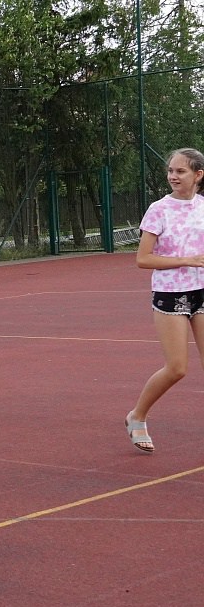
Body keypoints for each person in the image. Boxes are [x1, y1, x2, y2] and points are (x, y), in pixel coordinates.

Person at [126, 148, 204, 453]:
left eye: (181, 171)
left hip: (202, 292)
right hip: (171, 294)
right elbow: (143, 259)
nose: (173, 176)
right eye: (171, 170)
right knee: (177, 368)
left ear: (198, 175)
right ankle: (137, 416)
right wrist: (185, 260)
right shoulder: (159, 209)